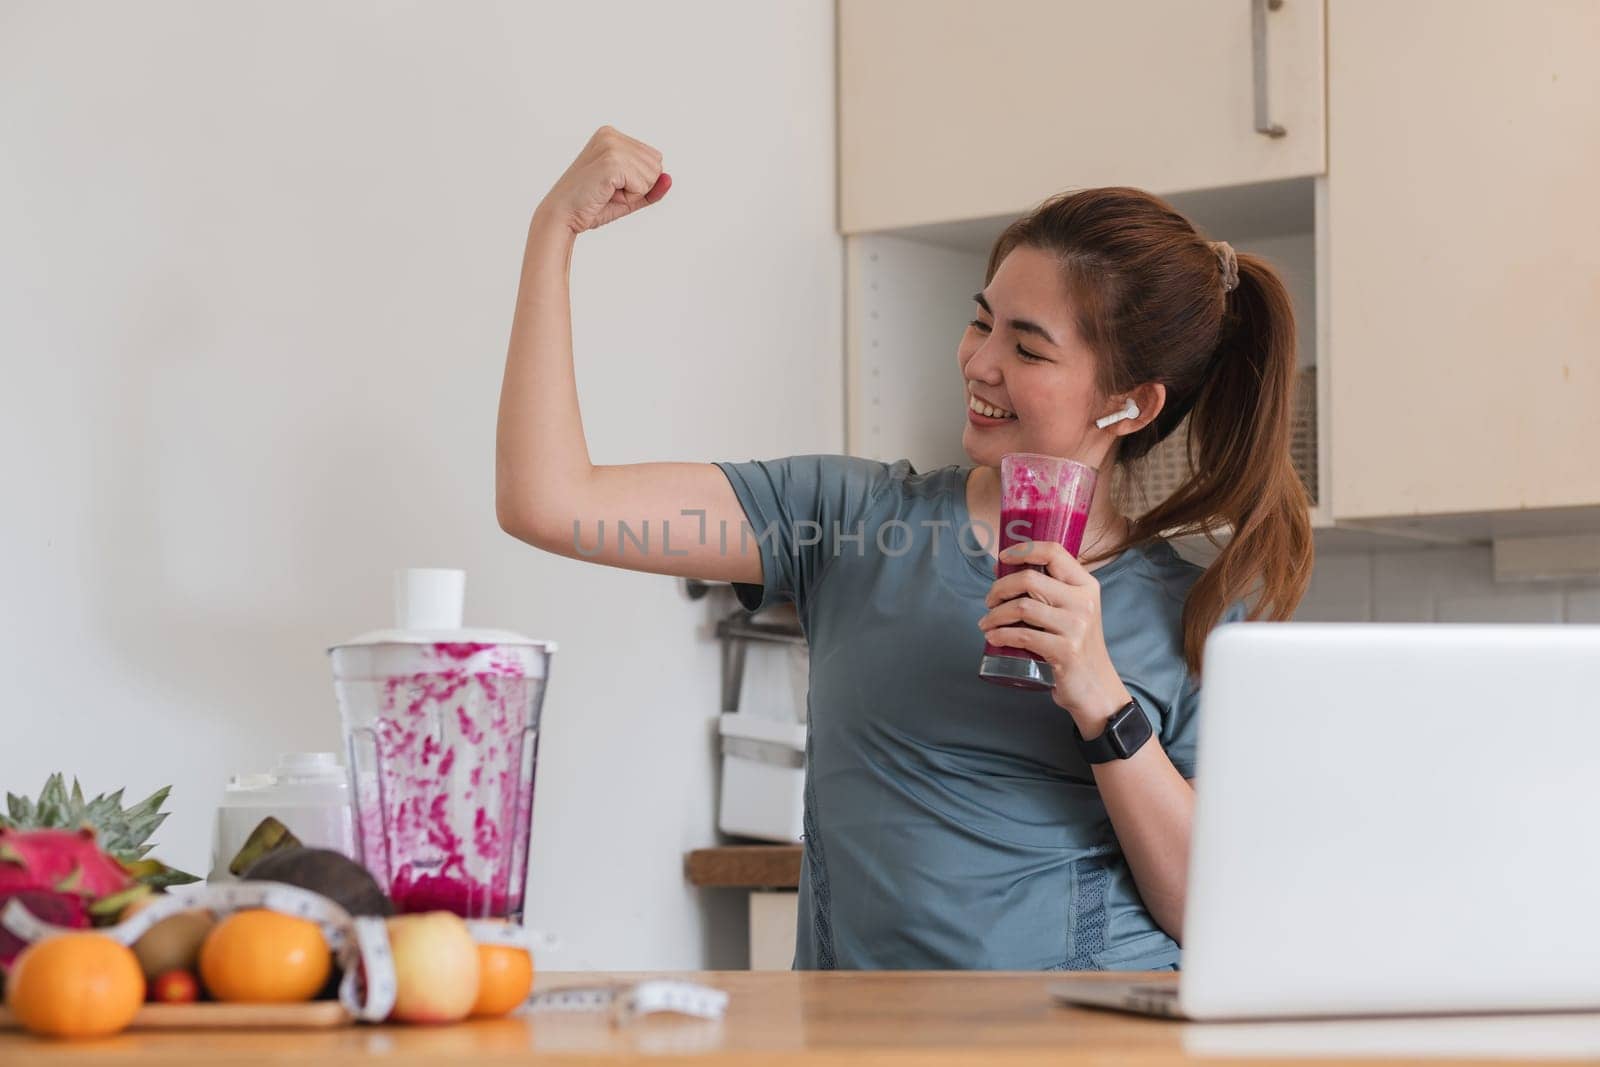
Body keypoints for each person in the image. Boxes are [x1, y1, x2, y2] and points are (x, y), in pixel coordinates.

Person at [497, 126, 1313, 971]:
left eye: (1028, 347)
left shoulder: (1202, 614)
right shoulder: (843, 521)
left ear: (1131, 405)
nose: (979, 362)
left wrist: (1100, 695)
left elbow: (1212, 911)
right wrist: (552, 231)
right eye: (980, 321)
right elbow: (551, 501)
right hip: (865, 1039)